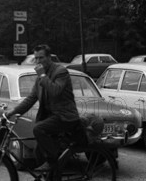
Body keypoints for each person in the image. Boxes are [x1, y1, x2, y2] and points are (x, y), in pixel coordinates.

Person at [6, 44, 86, 172]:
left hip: (65, 117)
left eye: (41, 58)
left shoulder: (60, 72)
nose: (38, 61)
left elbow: (55, 91)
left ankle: (53, 162)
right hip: (51, 117)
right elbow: (31, 99)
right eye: (36, 58)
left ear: (49, 57)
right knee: (38, 152)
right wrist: (13, 112)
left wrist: (43, 76)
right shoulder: (40, 78)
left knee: (39, 129)